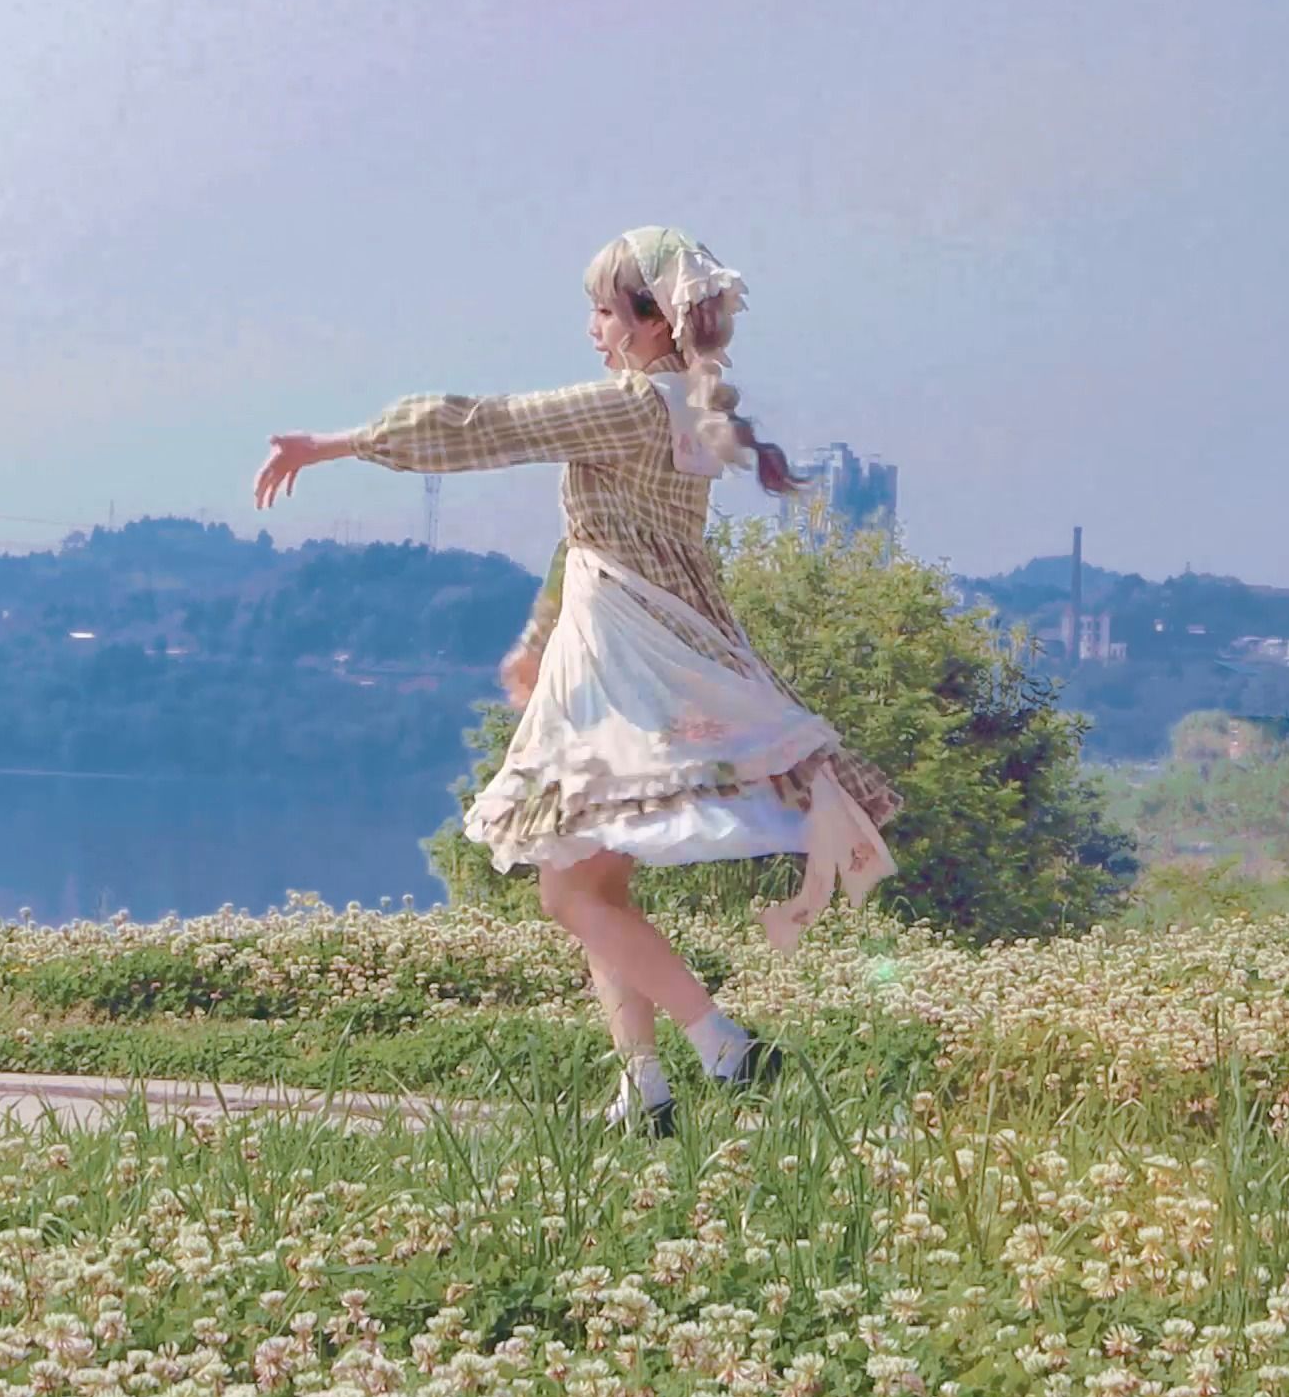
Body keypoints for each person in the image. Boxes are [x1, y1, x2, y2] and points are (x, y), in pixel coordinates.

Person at [252, 226, 901, 1133]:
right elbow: (599, 539)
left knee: (567, 889)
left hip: (623, 662)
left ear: (649, 322)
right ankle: (643, 1087)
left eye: (603, 311)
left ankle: (723, 1044)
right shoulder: (696, 411)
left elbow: (487, 426)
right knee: (592, 885)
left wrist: (337, 444)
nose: (592, 329)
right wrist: (538, 632)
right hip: (661, 645)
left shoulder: (632, 406)